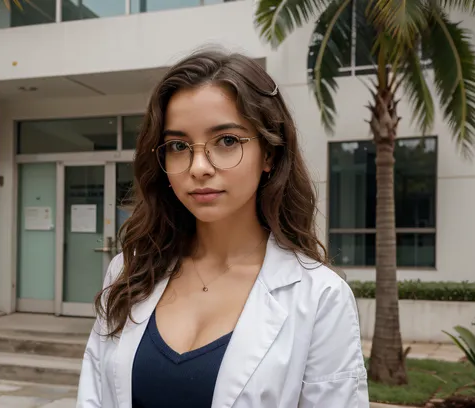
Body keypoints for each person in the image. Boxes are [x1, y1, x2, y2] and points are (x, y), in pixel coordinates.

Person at [76, 48, 369, 408]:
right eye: (179, 145)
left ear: (270, 154)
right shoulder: (129, 270)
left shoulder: (320, 297)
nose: (199, 166)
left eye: (227, 141)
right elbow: (94, 397)